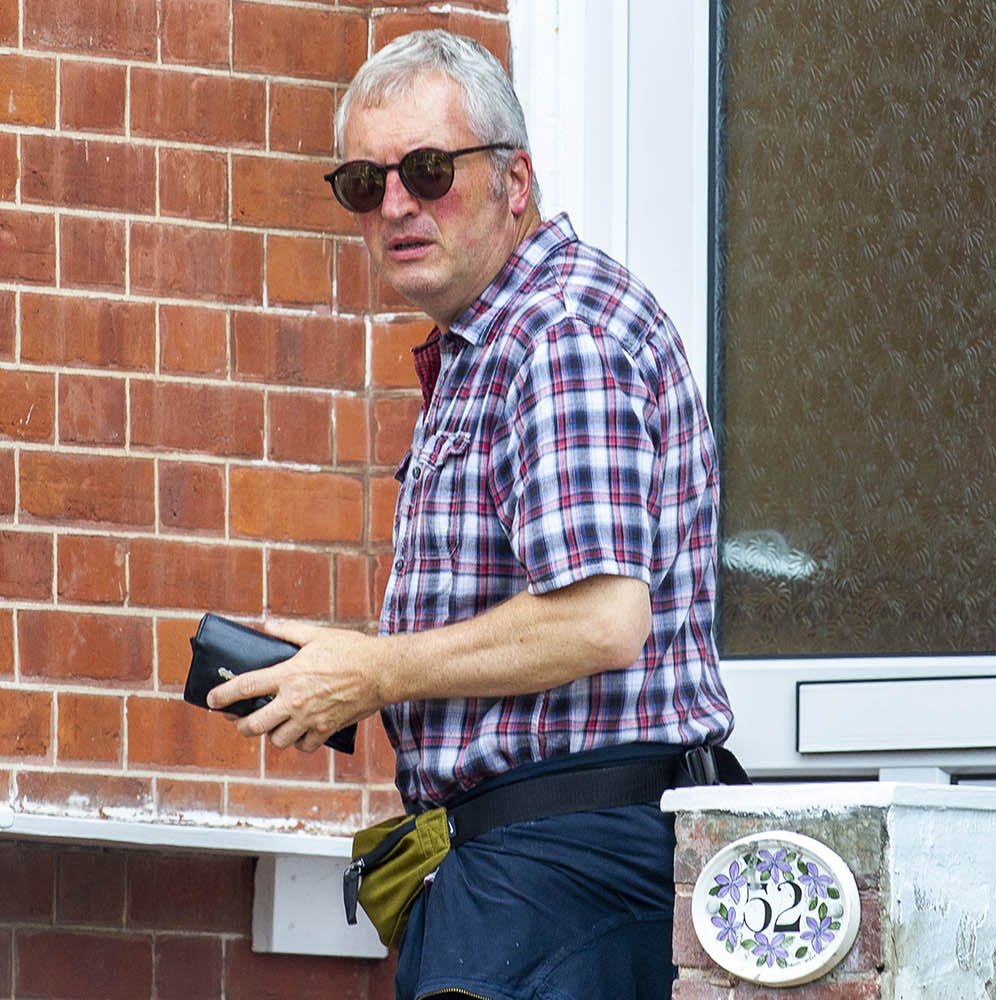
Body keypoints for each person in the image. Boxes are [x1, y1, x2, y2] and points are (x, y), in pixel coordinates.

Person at [209, 28, 735, 999]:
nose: (397, 204)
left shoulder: (556, 334)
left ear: (515, 181)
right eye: (366, 184)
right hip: (523, 870)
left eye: (428, 169)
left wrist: (374, 670)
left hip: (569, 864)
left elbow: (602, 618)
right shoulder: (492, 340)